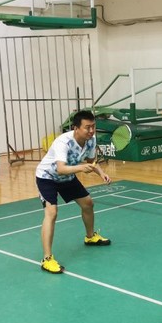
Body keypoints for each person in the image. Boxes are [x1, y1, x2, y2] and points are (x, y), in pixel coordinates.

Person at [34, 109, 112, 274]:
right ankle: (47, 259)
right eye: (87, 127)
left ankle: (90, 237)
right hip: (47, 177)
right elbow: (61, 168)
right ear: (76, 128)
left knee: (88, 204)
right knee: (52, 212)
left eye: (93, 126)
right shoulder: (63, 142)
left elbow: (91, 161)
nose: (91, 130)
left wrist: (101, 173)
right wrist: (81, 168)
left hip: (67, 178)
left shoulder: (90, 140)